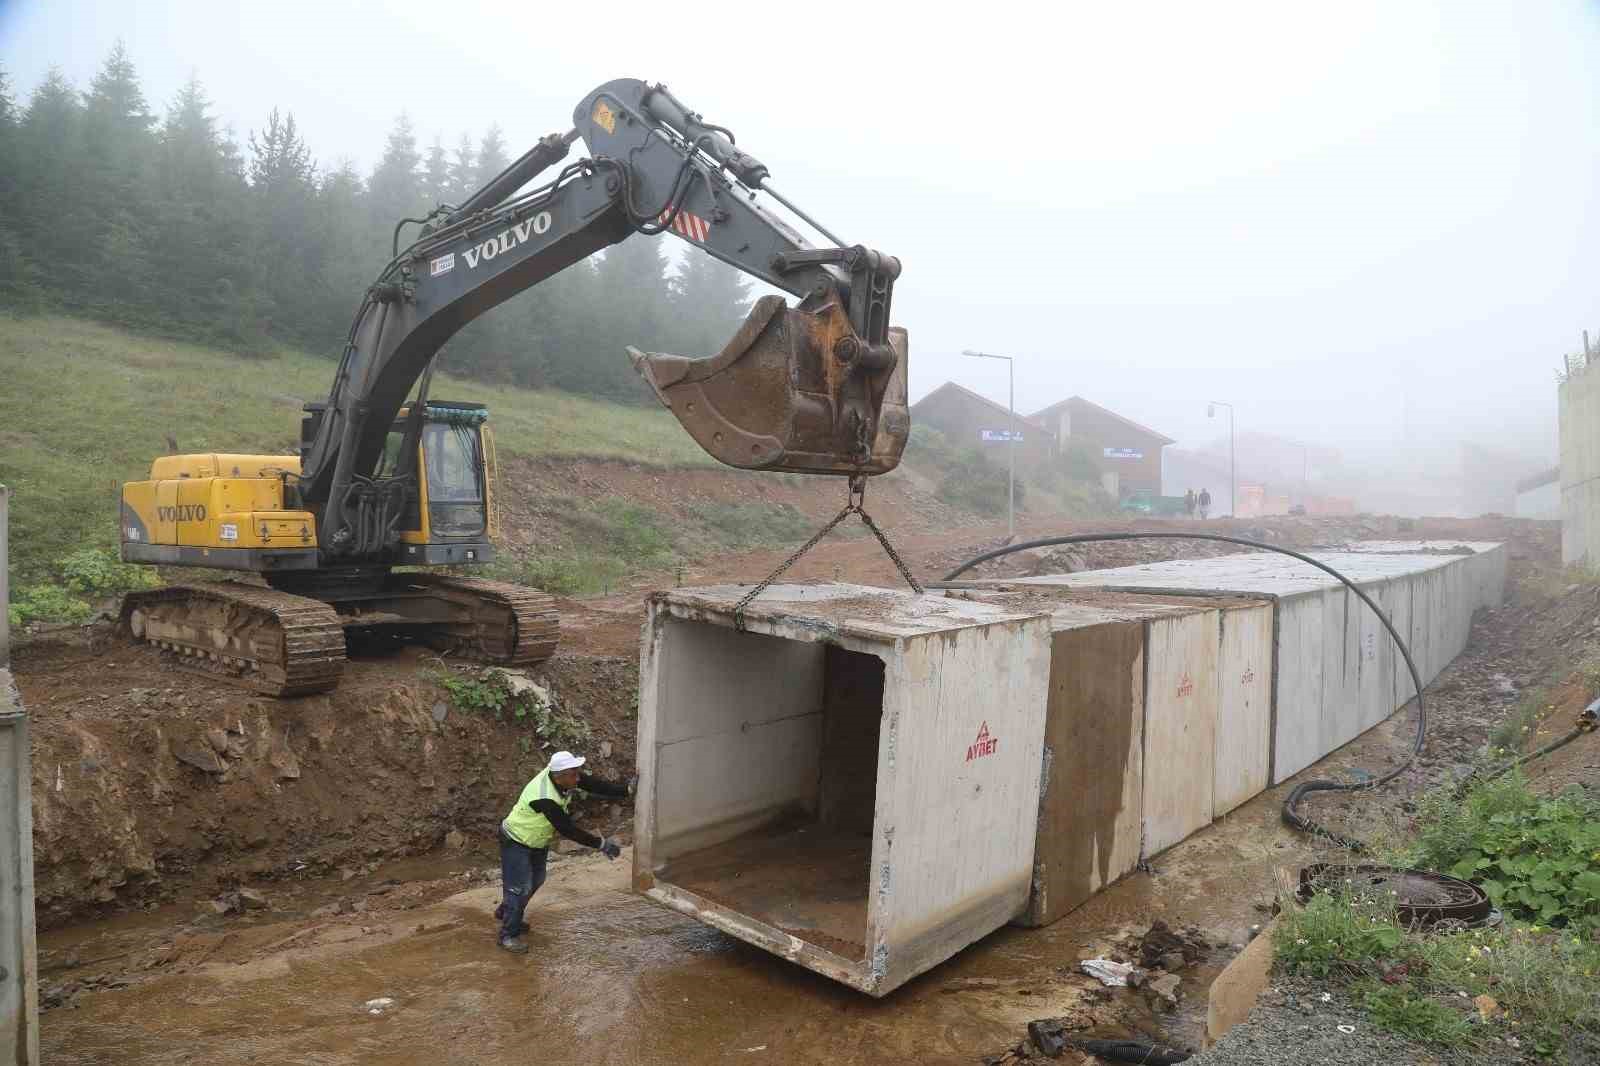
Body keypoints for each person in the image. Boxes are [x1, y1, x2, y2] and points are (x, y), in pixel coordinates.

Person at [495, 750, 631, 953]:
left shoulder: (563, 775)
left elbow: (592, 784)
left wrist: (625, 790)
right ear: (560, 777)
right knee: (520, 887)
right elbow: (567, 829)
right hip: (516, 839)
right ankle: (508, 935)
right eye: (574, 775)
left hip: (536, 840)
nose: (578, 778)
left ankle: (507, 912)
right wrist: (601, 844)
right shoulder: (544, 798)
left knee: (537, 879)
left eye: (577, 773)